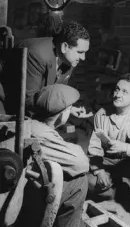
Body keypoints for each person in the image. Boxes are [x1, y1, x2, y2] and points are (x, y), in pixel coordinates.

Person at [16, 84, 89, 227]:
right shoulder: (41, 133)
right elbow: (82, 163)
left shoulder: (30, 122)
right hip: (27, 195)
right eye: (69, 109)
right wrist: (74, 147)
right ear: (62, 115)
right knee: (79, 180)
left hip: (22, 183)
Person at [87, 73, 130, 223]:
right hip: (107, 162)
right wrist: (100, 171)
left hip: (129, 162)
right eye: (117, 90)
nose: (117, 94)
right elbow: (94, 148)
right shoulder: (102, 114)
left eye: (125, 92)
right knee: (90, 183)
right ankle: (116, 191)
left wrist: (124, 147)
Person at [0, 21, 91, 118]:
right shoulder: (37, 54)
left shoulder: (69, 60)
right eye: (80, 52)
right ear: (64, 47)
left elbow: (56, 94)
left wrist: (68, 108)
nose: (83, 58)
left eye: (85, 52)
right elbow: (28, 100)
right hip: (6, 100)